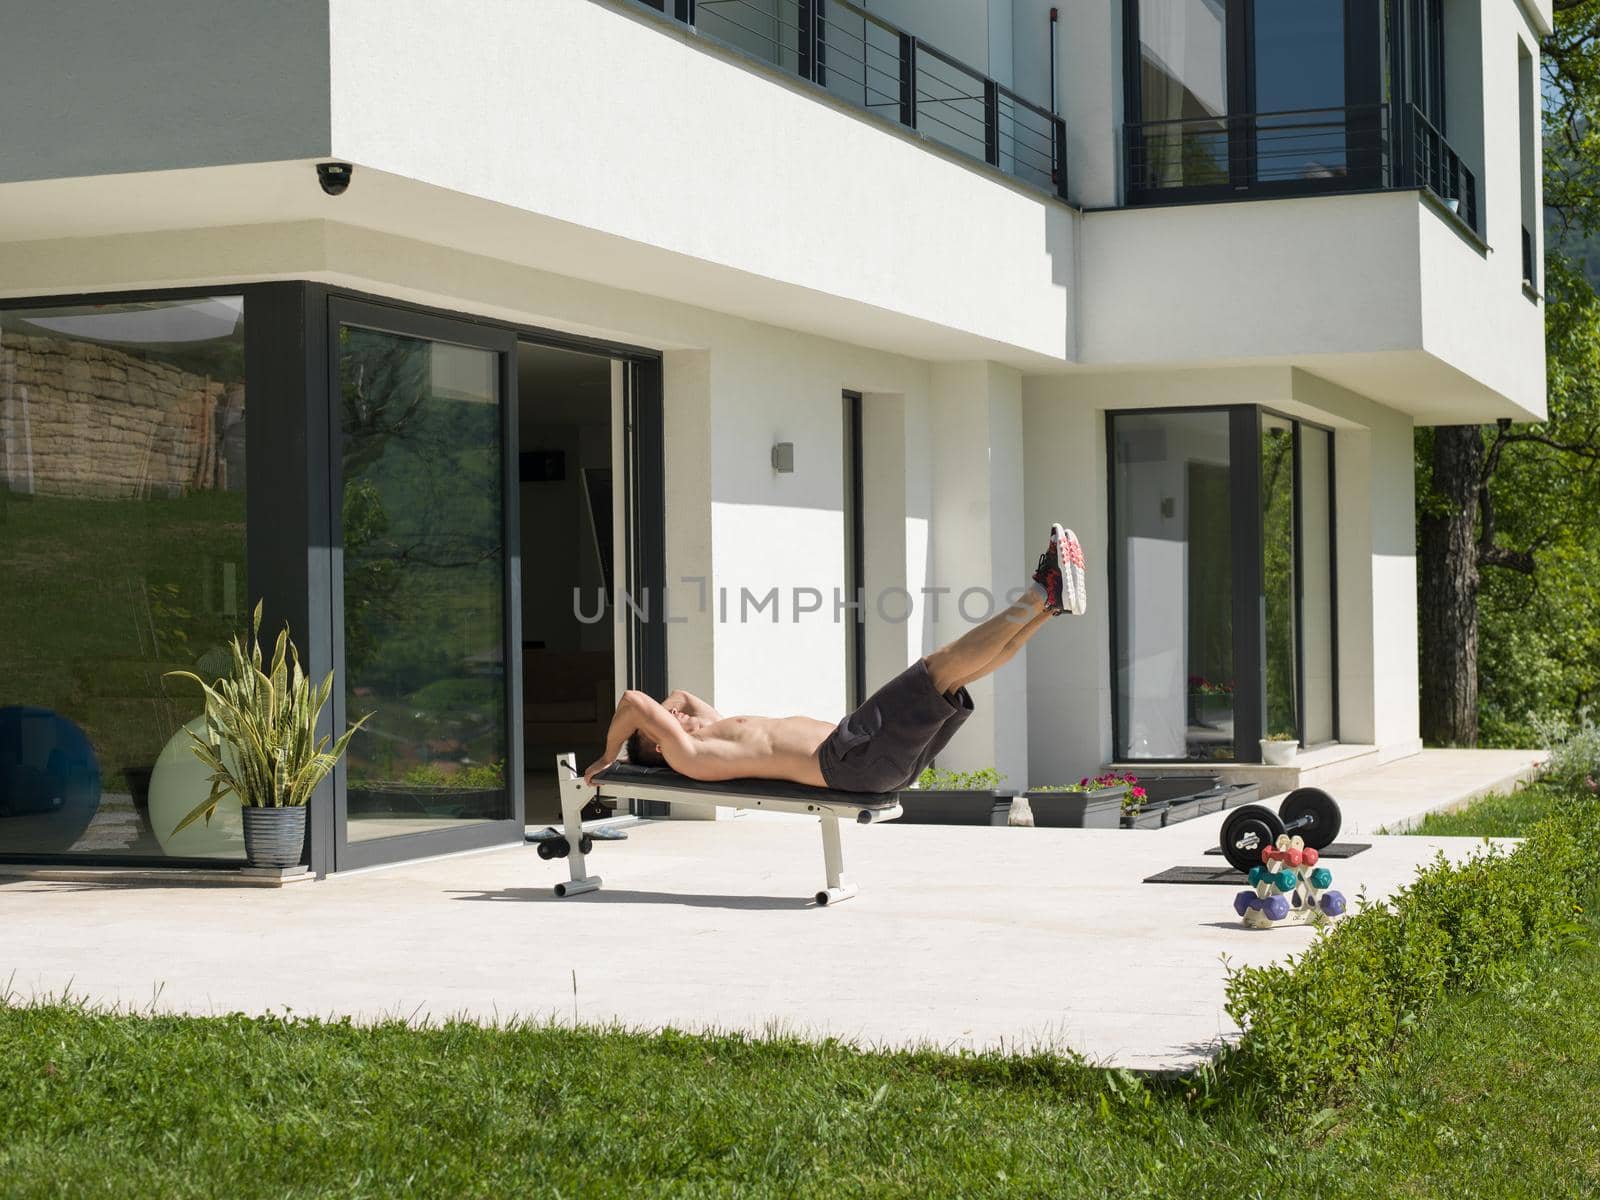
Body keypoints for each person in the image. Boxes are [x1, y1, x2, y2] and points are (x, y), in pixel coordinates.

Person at [582, 524, 1087, 792]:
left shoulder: (709, 733)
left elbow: (681, 697)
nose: (678, 712)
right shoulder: (688, 755)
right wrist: (611, 752)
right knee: (938, 667)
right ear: (658, 744)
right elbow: (633, 701)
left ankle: (1051, 605)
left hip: (863, 757)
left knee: (957, 679)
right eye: (667, 722)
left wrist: (668, 717)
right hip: (854, 757)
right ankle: (1040, 594)